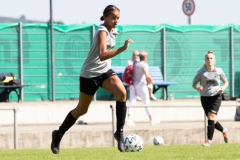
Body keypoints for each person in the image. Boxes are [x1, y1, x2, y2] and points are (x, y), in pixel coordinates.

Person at [50, 5, 133, 154]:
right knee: (82, 109)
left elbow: (103, 58)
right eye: (113, 17)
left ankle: (119, 132)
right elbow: (102, 55)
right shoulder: (102, 31)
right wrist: (121, 49)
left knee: (122, 93)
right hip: (90, 74)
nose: (116, 21)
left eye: (118, 18)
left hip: (105, 71)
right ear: (105, 17)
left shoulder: (113, 30)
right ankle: (58, 134)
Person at [192, 50, 229, 147]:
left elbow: (226, 82)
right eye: (208, 58)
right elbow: (194, 84)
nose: (209, 60)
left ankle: (209, 140)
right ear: (205, 60)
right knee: (212, 120)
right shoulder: (201, 72)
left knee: (211, 117)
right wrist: (197, 88)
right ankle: (223, 130)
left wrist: (222, 88)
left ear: (214, 60)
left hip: (216, 96)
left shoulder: (219, 71)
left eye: (211, 58)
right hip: (204, 97)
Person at [125, 51, 161, 126]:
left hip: (133, 85)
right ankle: (151, 120)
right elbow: (146, 75)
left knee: (132, 102)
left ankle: (129, 120)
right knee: (146, 102)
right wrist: (151, 81)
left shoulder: (134, 64)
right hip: (142, 85)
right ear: (145, 58)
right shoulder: (144, 65)